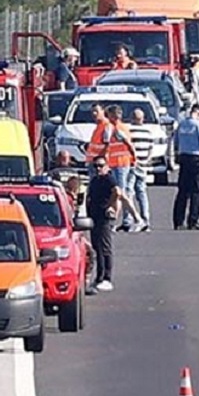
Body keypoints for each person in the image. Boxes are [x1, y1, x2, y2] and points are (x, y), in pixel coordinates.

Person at [85, 156, 123, 293]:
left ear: (107, 166)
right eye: (95, 166)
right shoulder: (95, 180)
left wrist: (109, 206)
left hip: (103, 217)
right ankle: (99, 277)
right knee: (97, 247)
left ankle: (106, 277)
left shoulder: (108, 179)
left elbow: (117, 192)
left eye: (101, 166)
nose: (98, 169)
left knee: (105, 247)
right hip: (94, 216)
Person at [172, 104, 199, 230]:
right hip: (197, 159)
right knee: (197, 191)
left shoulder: (182, 124)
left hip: (184, 158)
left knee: (183, 191)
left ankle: (178, 221)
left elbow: (176, 141)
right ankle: (193, 220)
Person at [103, 105, 139, 231]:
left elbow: (129, 145)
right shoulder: (117, 128)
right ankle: (128, 219)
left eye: (109, 114)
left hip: (121, 164)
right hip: (117, 163)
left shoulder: (118, 129)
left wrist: (134, 158)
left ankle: (129, 219)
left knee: (119, 193)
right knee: (121, 193)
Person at [126, 108, 152, 232]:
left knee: (129, 191)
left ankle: (129, 219)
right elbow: (151, 149)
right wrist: (146, 160)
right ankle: (145, 218)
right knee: (141, 192)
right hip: (143, 165)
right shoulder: (148, 132)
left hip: (132, 164)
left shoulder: (129, 131)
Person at [84, 103, 110, 175]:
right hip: (93, 161)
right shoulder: (99, 126)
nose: (94, 113)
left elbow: (107, 144)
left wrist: (101, 160)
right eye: (92, 111)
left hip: (98, 163)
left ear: (103, 111)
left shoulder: (106, 125)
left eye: (96, 111)